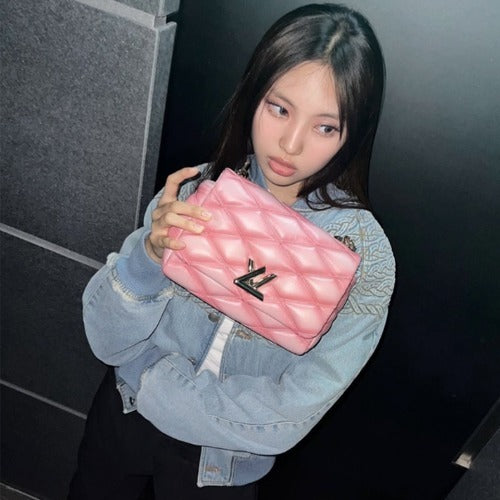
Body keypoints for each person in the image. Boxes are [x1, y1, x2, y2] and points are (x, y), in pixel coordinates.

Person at [68, 3, 395, 499]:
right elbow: (105, 338)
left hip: (220, 461)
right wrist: (149, 257)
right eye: (279, 108)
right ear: (253, 95)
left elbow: (289, 414)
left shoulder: (363, 257)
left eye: (325, 127)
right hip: (124, 413)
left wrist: (157, 383)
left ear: (353, 133)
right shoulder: (196, 189)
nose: (290, 144)